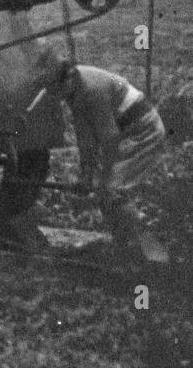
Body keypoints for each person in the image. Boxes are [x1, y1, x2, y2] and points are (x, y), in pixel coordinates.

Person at [54, 62, 169, 263]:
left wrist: (106, 176)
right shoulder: (75, 90)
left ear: (70, 76)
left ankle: (150, 253)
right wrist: (86, 174)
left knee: (111, 188)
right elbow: (85, 139)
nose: (56, 94)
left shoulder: (92, 90)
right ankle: (123, 243)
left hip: (143, 129)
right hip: (126, 129)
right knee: (104, 188)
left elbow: (109, 141)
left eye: (58, 87)